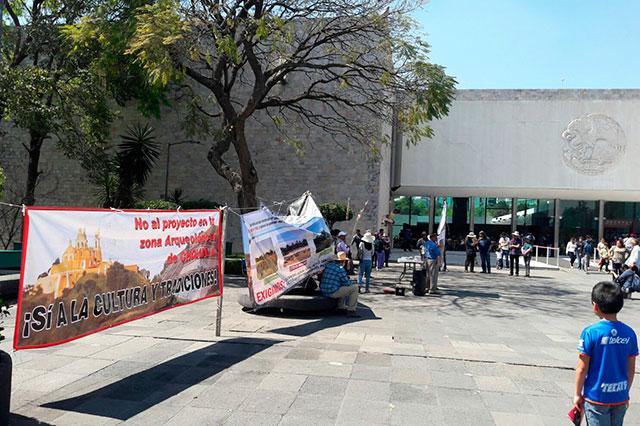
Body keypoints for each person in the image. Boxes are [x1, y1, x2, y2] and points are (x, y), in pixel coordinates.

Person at [574, 281, 637, 425]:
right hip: (620, 396)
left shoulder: (590, 333)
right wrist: (625, 391)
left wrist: (577, 394)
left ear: (595, 306)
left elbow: (582, 368)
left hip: (596, 397)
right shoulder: (629, 333)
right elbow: (631, 369)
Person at [319, 251, 360, 317]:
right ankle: (351, 310)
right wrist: (354, 283)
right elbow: (347, 283)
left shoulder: (329, 265)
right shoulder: (340, 269)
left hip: (324, 290)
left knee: (342, 286)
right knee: (355, 288)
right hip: (332, 292)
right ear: (343, 261)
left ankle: (341, 307)